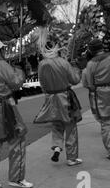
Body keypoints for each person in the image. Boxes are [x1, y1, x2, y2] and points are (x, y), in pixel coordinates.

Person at [0, 39, 33, 188]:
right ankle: (17, 177)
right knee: (17, 138)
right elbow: (16, 83)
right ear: (1, 51)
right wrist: (20, 71)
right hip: (5, 105)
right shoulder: (2, 65)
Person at [33, 29, 83, 166]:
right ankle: (71, 157)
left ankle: (56, 146)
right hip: (65, 97)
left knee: (56, 125)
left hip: (50, 98)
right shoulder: (63, 62)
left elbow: (42, 84)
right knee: (70, 127)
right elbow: (75, 80)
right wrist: (75, 69)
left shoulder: (41, 65)